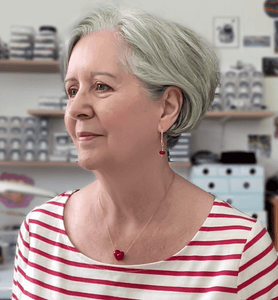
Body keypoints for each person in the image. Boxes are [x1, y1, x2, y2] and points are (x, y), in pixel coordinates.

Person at [12, 5, 278, 299]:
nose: (75, 109)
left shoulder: (240, 251)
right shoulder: (39, 234)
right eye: (72, 90)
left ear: (166, 108)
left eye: (101, 86)